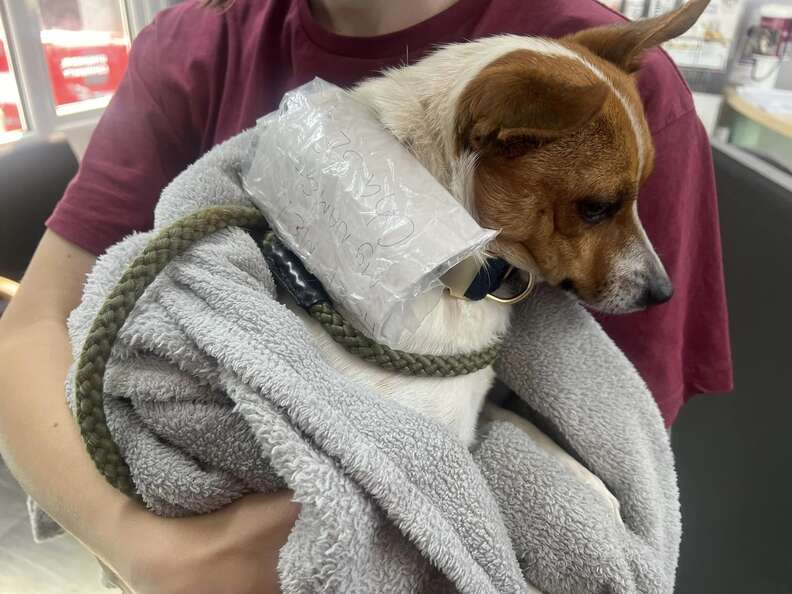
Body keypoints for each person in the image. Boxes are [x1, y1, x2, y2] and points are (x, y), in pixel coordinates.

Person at [0, 0, 733, 592]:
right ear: (496, 134)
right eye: (600, 211)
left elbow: (617, 453)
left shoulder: (616, 88)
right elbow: (32, 327)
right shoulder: (194, 44)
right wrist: (154, 555)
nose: (645, 267)